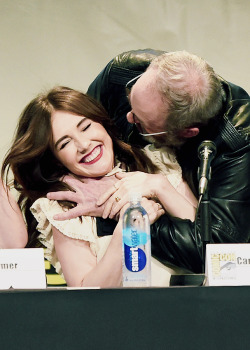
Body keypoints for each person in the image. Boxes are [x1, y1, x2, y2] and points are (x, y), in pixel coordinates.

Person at [48, 49, 250, 274]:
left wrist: (130, 212)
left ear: (187, 133)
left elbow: (221, 258)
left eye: (141, 122)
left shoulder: (238, 144)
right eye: (130, 98)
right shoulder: (123, 72)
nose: (127, 117)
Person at [1, 86, 197, 287]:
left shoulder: (158, 164)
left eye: (85, 127)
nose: (84, 144)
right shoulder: (65, 207)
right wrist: (126, 232)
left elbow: (206, 245)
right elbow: (87, 294)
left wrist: (159, 186)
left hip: (194, 310)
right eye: (64, 143)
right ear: (56, 160)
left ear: (102, 123)